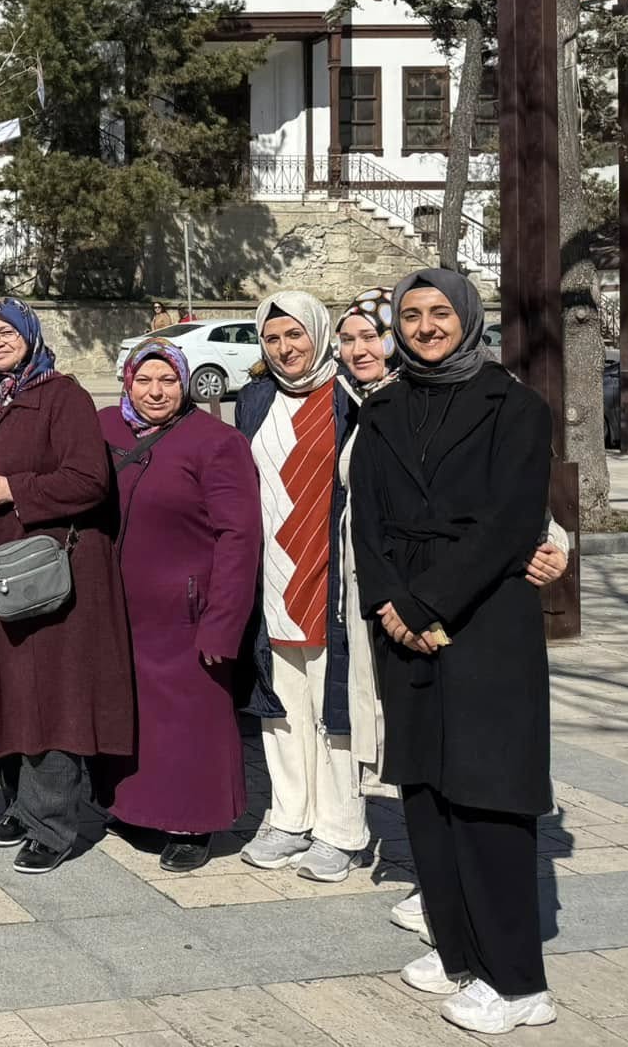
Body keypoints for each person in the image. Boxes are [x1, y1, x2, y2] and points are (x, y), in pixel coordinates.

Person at [352, 269, 557, 1034]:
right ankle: (457, 946)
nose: (426, 325)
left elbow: (511, 525)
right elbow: (363, 521)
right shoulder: (383, 408)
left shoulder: (516, 406)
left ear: (468, 318)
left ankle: (518, 980)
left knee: (488, 795)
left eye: (441, 312)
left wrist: (425, 602)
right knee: (425, 791)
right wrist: (390, 604)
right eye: (412, 314)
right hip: (402, 616)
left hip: (484, 620)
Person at [0, 299, 131, 875]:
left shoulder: (62, 394)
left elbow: (89, 481)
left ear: (30, 335)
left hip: (42, 574)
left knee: (47, 694)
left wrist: (14, 489)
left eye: (5, 333)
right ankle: (21, 804)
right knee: (1, 686)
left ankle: (53, 824)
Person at [97, 340, 261, 871]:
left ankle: (195, 821)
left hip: (188, 609)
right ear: (127, 381)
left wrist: (223, 621)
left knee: (192, 721)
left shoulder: (217, 441)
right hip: (119, 607)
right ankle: (136, 807)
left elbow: (239, 535)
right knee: (137, 716)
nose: (155, 391)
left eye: (167, 380)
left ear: (185, 382)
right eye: (144, 380)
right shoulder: (106, 428)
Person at [234, 290, 365, 883]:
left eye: (296, 335)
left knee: (333, 705)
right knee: (281, 702)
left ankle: (340, 830)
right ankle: (289, 817)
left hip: (331, 570)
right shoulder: (256, 399)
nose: (286, 348)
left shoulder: (350, 396)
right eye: (273, 338)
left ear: (319, 332)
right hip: (273, 573)